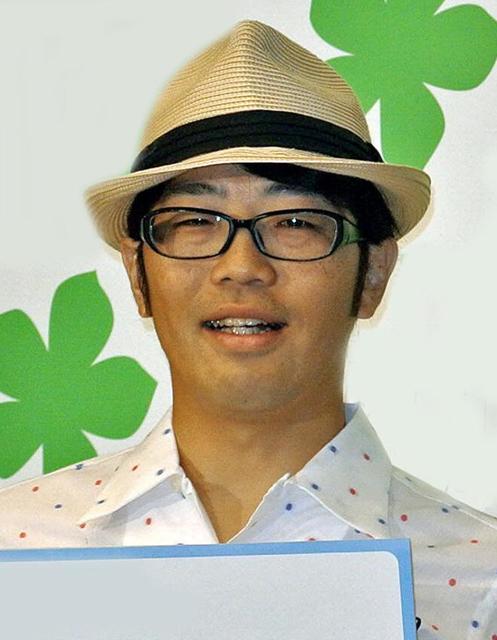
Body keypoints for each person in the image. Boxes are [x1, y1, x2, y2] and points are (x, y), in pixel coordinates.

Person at [1, 19, 496, 637]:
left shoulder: (484, 583)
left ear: (373, 272)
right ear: (137, 274)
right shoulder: (14, 545)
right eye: (195, 221)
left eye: (295, 222)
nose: (242, 266)